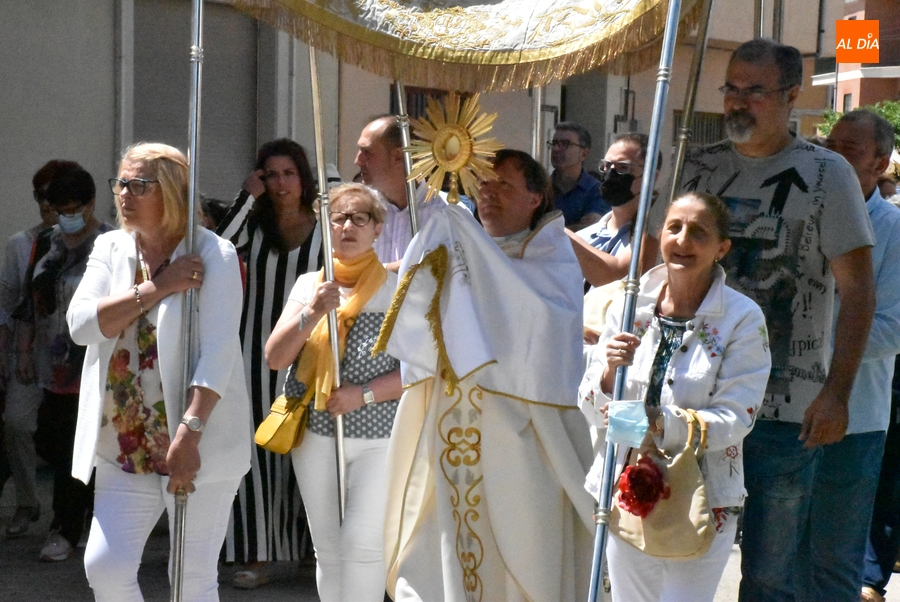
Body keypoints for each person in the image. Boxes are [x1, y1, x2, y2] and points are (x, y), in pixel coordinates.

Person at [680, 38, 876, 601]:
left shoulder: (828, 174)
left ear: (791, 96)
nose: (738, 103)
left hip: (785, 413)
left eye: (755, 91)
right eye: (731, 89)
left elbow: (858, 292)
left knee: (771, 574)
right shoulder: (697, 166)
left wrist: (837, 393)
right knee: (681, 555)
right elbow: (658, 270)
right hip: (695, 400)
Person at [381, 150, 595, 601]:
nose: (489, 195)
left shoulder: (552, 258)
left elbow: (535, 321)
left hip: (522, 440)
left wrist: (465, 249)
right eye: (484, 184)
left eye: (504, 186)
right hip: (451, 429)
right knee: (441, 556)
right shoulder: (458, 248)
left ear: (536, 197)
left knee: (526, 554)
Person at [68, 142, 250, 600]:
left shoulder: (214, 254)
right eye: (121, 183)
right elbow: (82, 325)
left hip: (195, 442)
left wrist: (190, 432)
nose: (125, 194)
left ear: (170, 191)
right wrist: (158, 287)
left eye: (139, 185)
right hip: (124, 441)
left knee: (190, 581)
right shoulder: (110, 247)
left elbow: (219, 352)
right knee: (105, 568)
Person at [579, 192, 771, 601]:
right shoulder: (628, 305)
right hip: (627, 489)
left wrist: (659, 424)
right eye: (674, 227)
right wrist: (611, 371)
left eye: (698, 232)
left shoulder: (742, 318)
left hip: (703, 496)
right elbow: (590, 405)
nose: (683, 241)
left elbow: (737, 419)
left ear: (722, 248)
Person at [265, 183, 402, 602]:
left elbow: (422, 368)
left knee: (362, 545)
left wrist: (363, 394)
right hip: (317, 435)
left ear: (377, 228)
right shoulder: (312, 285)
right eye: (339, 217)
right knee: (328, 549)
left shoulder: (397, 289)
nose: (348, 226)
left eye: (360, 217)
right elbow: (275, 356)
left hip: (378, 436)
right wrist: (313, 312)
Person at [216, 138, 324, 587]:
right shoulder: (254, 229)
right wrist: (247, 196)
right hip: (255, 353)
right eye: (271, 174)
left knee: (310, 448)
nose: (281, 184)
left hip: (316, 353)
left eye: (288, 174)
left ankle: (309, 550)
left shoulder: (326, 229)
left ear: (304, 178)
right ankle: (257, 555)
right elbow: (218, 246)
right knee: (258, 451)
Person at [14, 163, 113, 561]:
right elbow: (29, 299)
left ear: (89, 205)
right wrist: (23, 350)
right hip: (48, 364)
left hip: (90, 362)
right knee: (51, 439)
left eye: (74, 208)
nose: (67, 217)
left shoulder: (110, 242)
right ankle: (81, 513)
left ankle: (67, 526)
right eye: (59, 209)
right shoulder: (46, 242)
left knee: (81, 446)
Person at [825, 110, 900, 602]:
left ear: (881, 162)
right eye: (829, 146)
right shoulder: (807, 212)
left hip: (856, 417)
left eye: (848, 151)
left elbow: (892, 328)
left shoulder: (893, 229)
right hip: (784, 409)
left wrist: (815, 349)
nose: (833, 158)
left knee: (835, 559)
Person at [0, 160, 66, 538]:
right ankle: (27, 500)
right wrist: (9, 353)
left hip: (70, 355)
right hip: (28, 349)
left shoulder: (95, 241)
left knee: (66, 435)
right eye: (41, 196)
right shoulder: (20, 243)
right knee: (16, 422)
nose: (47, 205)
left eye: (54, 197)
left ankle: (71, 513)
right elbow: (8, 305)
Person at [355, 114, 448, 267]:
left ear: (398, 156)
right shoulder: (356, 211)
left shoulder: (446, 214)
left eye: (367, 152)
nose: (357, 160)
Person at [549, 121, 609, 229]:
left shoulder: (597, 191)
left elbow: (588, 231)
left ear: (584, 154)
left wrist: (547, 231)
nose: (556, 149)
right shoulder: (540, 188)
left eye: (565, 144)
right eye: (554, 143)